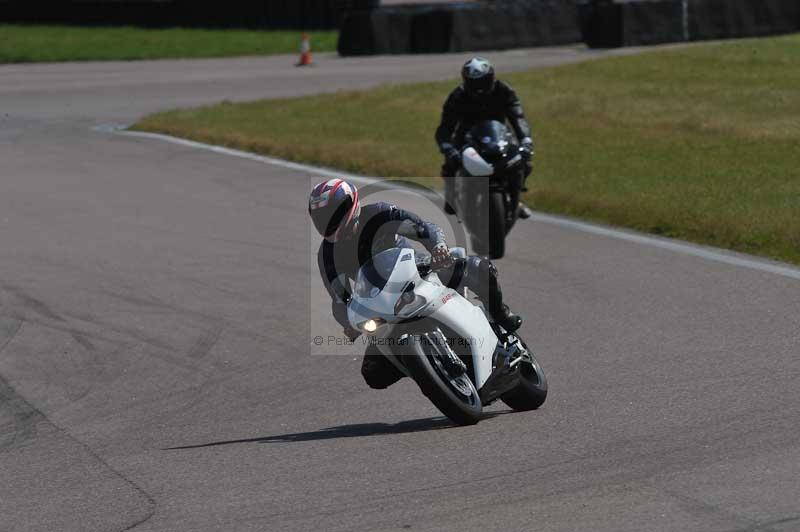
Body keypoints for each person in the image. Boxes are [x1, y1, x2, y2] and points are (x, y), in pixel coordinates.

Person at [309, 178, 522, 389]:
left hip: (419, 273)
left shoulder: (378, 213)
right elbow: (339, 298)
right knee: (373, 374)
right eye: (322, 217)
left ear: (351, 203)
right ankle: (428, 367)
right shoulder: (327, 256)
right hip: (382, 306)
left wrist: (438, 247)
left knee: (480, 268)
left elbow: (422, 228)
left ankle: (500, 315)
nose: (329, 221)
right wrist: (348, 323)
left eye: (334, 214)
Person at [435, 56, 534, 218]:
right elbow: (445, 127)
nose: (479, 88)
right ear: (466, 81)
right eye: (474, 83)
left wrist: (526, 139)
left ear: (491, 78)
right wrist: (447, 147)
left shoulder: (504, 90)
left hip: (499, 135)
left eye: (483, 82)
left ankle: (517, 199)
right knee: (451, 162)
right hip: (467, 137)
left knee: (524, 160)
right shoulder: (457, 96)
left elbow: (518, 117)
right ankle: (452, 194)